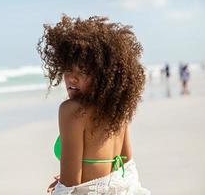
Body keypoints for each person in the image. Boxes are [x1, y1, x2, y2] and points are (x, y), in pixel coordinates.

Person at [37, 15, 150, 195]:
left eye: (82, 71)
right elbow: (126, 166)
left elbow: (70, 185)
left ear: (104, 75)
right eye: (67, 70)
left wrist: (60, 187)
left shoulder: (72, 110)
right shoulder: (117, 108)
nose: (71, 78)